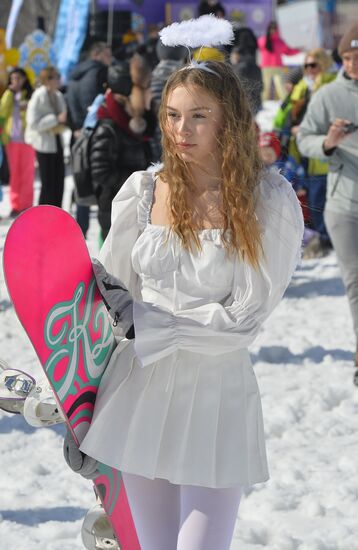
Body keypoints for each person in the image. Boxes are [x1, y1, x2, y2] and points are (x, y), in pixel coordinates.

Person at [63, 47, 303, 549]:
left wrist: (146, 323)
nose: (181, 129)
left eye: (198, 116)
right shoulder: (143, 191)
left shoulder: (268, 200)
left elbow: (245, 319)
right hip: (140, 394)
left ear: (229, 120)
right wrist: (80, 404)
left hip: (217, 399)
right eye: (172, 115)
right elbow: (112, 298)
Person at [296, 23, 358, 380]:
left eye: (357, 58)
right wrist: (328, 142)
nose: (352, 64)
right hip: (344, 205)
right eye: (347, 58)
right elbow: (304, 139)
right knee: (355, 282)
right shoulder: (327, 96)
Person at [89, 62, 154, 242]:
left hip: (133, 206)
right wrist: (138, 179)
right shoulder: (108, 127)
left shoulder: (136, 123)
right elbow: (101, 172)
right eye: (143, 88)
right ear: (126, 94)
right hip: (114, 209)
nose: (148, 92)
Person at [66, 42, 112, 236]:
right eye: (107, 54)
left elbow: (68, 104)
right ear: (97, 54)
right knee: (101, 185)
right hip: (96, 134)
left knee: (81, 180)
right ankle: (104, 234)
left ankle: (80, 230)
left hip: (78, 135)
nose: (110, 58)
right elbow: (102, 104)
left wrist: (75, 127)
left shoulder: (73, 74)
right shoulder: (101, 71)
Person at [25, 67, 67, 207]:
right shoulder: (38, 96)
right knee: (47, 183)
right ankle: (43, 214)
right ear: (47, 80)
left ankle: (57, 212)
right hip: (43, 144)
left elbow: (63, 116)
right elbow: (33, 123)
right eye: (55, 77)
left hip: (57, 141)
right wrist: (55, 119)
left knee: (59, 181)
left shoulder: (58, 95)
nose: (58, 80)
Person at [0, 67, 35, 217]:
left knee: (28, 173)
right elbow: (2, 112)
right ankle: (15, 205)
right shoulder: (8, 95)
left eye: (19, 78)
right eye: (13, 78)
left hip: (27, 140)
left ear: (25, 79)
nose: (16, 81)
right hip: (12, 140)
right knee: (15, 174)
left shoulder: (31, 95)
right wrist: (9, 93)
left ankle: (27, 204)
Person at [258, 21, 301, 101]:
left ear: (277, 29)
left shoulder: (280, 41)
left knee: (281, 87)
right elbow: (257, 48)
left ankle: (286, 103)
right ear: (268, 29)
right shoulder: (262, 40)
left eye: (274, 28)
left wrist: (298, 50)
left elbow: (288, 51)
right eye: (271, 28)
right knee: (265, 88)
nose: (273, 30)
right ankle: (261, 104)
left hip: (277, 67)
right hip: (266, 68)